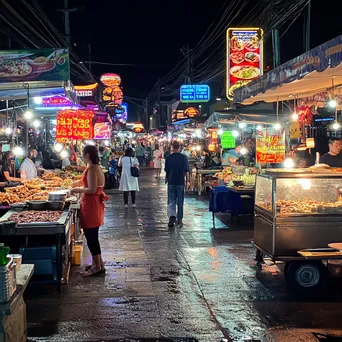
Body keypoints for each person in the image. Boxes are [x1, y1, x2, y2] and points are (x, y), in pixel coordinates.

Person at [71, 145, 107, 277]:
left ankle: (97, 266)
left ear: (87, 155)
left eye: (83, 154)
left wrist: (76, 190)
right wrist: (78, 185)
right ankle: (99, 264)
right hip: (93, 204)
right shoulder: (96, 167)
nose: (82, 156)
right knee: (93, 236)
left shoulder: (92, 169)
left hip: (91, 205)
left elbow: (91, 189)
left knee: (91, 236)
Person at [165, 140, 190, 227]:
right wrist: (187, 182)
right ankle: (179, 219)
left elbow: (167, 171)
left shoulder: (168, 158)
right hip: (180, 182)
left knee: (171, 201)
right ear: (179, 147)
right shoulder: (184, 158)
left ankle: (172, 218)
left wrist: (166, 179)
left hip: (171, 182)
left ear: (172, 148)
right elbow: (187, 171)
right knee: (180, 201)